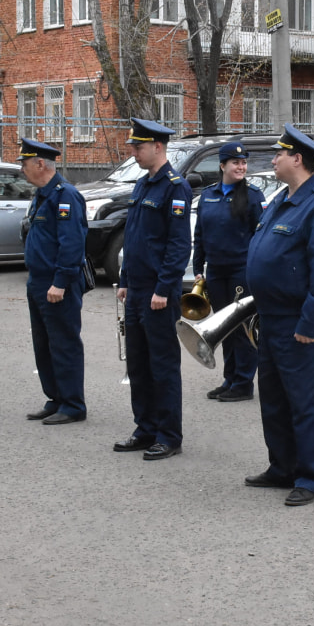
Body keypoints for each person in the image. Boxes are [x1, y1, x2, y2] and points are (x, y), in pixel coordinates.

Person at [244, 125, 314, 506]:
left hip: (298, 321)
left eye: (279, 155)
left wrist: (310, 323)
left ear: (297, 159)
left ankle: (311, 477)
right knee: (273, 399)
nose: (273, 160)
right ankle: (282, 466)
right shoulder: (282, 200)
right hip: (271, 318)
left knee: (304, 401)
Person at [114, 118, 192, 461]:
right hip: (138, 289)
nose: (133, 151)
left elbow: (178, 245)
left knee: (162, 365)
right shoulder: (143, 185)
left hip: (159, 293)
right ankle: (144, 428)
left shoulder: (175, 187)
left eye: (139, 146)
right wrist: (126, 280)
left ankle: (168, 435)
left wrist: (163, 287)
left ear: (158, 147)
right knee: (139, 364)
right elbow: (135, 238)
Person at [19, 138, 90, 426]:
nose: (22, 170)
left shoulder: (65, 196)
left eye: (24, 164)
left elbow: (72, 244)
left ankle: (73, 404)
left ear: (40, 163)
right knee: (44, 343)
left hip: (57, 283)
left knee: (64, 343)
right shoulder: (42, 195)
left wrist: (60, 282)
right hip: (38, 280)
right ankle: (56, 397)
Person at [192, 141, 266, 402]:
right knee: (223, 328)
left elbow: (261, 236)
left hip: (240, 272)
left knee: (242, 329)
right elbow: (200, 233)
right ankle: (230, 378)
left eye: (244, 162)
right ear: (222, 165)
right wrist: (198, 266)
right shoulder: (209, 195)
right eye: (236, 162)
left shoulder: (253, 196)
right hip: (216, 272)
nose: (241, 166)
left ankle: (244, 383)